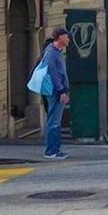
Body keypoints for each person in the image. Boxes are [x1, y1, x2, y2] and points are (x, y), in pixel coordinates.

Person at [41, 27, 71, 159]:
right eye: (67, 37)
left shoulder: (57, 52)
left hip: (59, 90)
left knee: (56, 121)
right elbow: (53, 74)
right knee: (54, 121)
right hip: (55, 91)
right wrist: (61, 90)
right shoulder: (52, 53)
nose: (69, 39)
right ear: (60, 38)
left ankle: (55, 149)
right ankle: (51, 150)